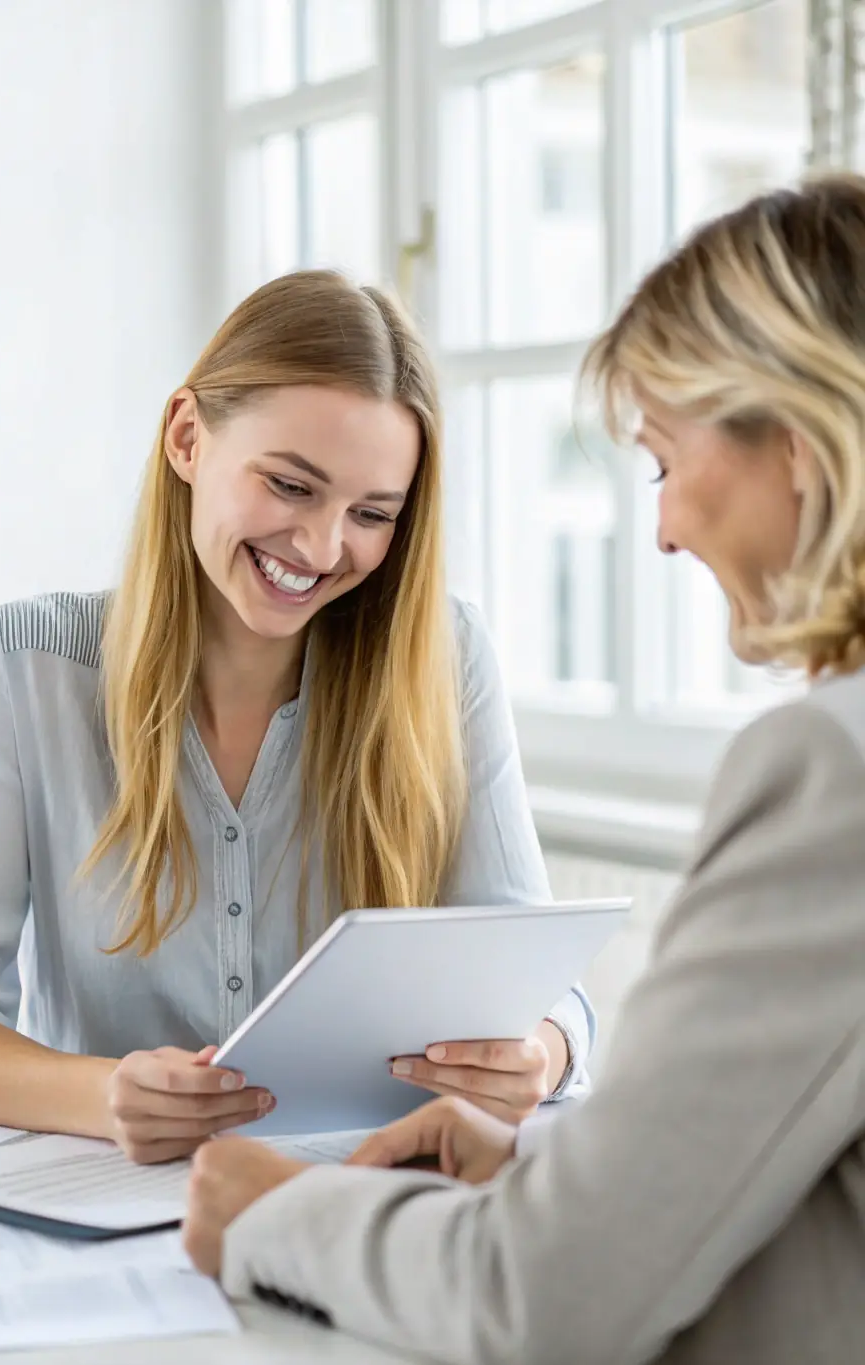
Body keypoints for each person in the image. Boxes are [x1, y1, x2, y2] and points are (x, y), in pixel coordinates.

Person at [182, 174, 865, 1365]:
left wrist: (278, 1214)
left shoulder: (831, 769)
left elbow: (542, 1300)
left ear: (795, 455)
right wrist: (559, 1180)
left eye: (662, 459)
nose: (663, 529)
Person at [0, 270, 593, 1162]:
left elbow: (541, 992)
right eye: (292, 486)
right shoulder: (28, 665)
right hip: (99, 1214)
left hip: (365, 1210)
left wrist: (539, 1052)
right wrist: (106, 1095)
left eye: (372, 513)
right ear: (187, 436)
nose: (324, 548)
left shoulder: (447, 662)